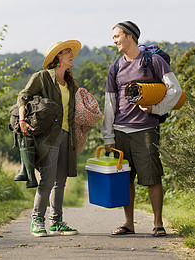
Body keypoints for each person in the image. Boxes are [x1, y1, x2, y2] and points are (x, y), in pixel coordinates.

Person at [101, 21, 182, 237]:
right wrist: (108, 135)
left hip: (146, 129)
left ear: (130, 36)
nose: (114, 41)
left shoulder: (153, 61)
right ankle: (129, 223)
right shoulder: (115, 67)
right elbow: (109, 103)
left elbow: (175, 90)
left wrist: (156, 108)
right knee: (125, 179)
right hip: (120, 131)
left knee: (152, 177)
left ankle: (158, 223)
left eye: (117, 36)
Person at [17, 40, 81, 237]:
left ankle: (56, 222)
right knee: (47, 179)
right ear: (58, 57)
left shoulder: (70, 82)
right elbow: (23, 96)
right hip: (48, 136)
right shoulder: (43, 77)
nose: (72, 55)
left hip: (66, 136)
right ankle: (37, 220)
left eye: (72, 52)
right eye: (67, 52)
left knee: (60, 181)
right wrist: (22, 120)